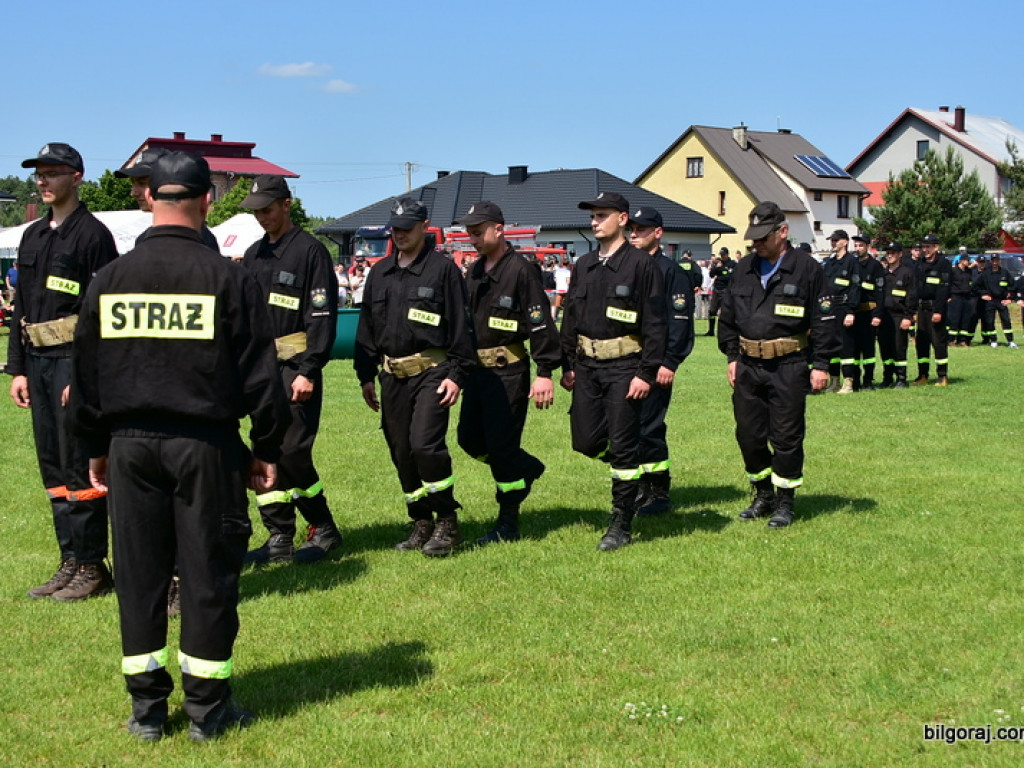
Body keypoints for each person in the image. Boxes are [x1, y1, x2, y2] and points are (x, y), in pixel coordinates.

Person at [69, 151, 290, 742]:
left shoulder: (109, 279)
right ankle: (208, 711)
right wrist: (264, 448)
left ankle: (146, 711)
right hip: (205, 447)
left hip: (128, 447)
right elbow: (262, 380)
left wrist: (96, 448)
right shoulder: (229, 279)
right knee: (207, 573)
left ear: (148, 198)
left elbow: (85, 377)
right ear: (207, 201)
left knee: (139, 577)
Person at [7, 143, 117, 601]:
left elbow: (102, 314)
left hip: (73, 365)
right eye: (39, 175)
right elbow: (21, 311)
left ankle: (93, 565)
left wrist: (86, 375)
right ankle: (69, 559)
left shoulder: (93, 236)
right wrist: (17, 369)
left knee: (79, 466)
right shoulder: (33, 236)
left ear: (76, 177)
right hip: (37, 364)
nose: (43, 181)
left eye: (52, 173)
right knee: (52, 465)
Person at [354, 198, 475, 556]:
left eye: (408, 226)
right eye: (396, 227)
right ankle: (420, 521)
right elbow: (367, 329)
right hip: (392, 375)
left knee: (425, 444)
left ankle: (447, 521)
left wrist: (456, 374)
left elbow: (461, 326)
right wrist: (365, 375)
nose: (401, 233)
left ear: (425, 226)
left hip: (432, 372)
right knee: (402, 451)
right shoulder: (380, 273)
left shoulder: (442, 270)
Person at [240, 174, 342, 564]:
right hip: (260, 371)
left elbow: (322, 317)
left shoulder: (310, 251)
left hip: (296, 367)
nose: (262, 217)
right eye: (256, 212)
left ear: (286, 204)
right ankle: (278, 535)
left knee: (294, 452)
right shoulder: (252, 255)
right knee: (264, 450)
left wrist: (309, 369)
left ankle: (324, 527)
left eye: (267, 209)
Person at [559, 191, 666, 550]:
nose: (594, 222)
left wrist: (646, 372)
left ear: (622, 219)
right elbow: (570, 317)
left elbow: (656, 324)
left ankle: (621, 522)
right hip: (586, 366)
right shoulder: (585, 264)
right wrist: (567, 364)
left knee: (622, 447)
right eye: (592, 216)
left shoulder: (641, 265)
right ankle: (632, 472)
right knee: (585, 441)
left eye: (602, 215)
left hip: (625, 366)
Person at [718, 201, 835, 528]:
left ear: (783, 232)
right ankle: (762, 493)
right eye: (753, 237)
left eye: (763, 237)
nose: (756, 243)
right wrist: (731, 355)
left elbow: (824, 320)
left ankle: (785, 501)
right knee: (749, 435)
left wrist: (821, 364)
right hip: (748, 365)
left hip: (789, 364)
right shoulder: (744, 268)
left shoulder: (807, 269)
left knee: (786, 436)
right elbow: (727, 315)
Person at [456, 201, 561, 544]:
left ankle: (508, 522)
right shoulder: (473, 271)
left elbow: (540, 324)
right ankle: (526, 467)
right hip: (476, 373)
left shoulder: (520, 270)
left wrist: (545, 371)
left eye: (477, 231)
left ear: (498, 229)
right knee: (469, 440)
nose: (471, 237)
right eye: (468, 231)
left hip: (508, 372)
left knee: (501, 447)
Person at [627, 206, 694, 516]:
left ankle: (658, 492)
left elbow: (679, 321)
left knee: (649, 426)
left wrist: (669, 362)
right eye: (633, 228)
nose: (634, 233)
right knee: (626, 427)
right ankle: (638, 486)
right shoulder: (627, 267)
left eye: (642, 229)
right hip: (627, 360)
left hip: (656, 364)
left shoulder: (670, 272)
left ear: (658, 233)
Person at [115, 147, 220, 252]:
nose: (133, 193)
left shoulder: (199, 240)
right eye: (133, 183)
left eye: (142, 183)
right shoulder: (144, 239)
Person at [821, 230, 862, 394]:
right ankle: (835, 380)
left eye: (836, 240)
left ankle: (848, 382)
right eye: (832, 240)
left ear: (845, 242)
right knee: (832, 346)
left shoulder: (852, 262)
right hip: (831, 308)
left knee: (846, 346)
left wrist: (851, 311)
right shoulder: (830, 263)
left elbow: (855, 287)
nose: (833, 243)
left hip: (845, 307)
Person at [911, 234, 953, 386]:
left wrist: (938, 311)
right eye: (924, 246)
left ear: (936, 247)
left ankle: (942, 375)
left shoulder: (943, 264)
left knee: (938, 342)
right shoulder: (920, 264)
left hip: (935, 307)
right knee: (921, 343)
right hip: (921, 309)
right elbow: (915, 289)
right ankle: (923, 375)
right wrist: (913, 309)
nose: (925, 250)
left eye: (929, 246)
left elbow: (944, 290)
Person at [877, 242, 918, 389]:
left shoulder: (907, 273)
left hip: (899, 316)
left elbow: (912, 296)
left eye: (893, 253)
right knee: (885, 348)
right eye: (888, 253)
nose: (890, 255)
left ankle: (901, 378)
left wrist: (908, 317)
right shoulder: (883, 273)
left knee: (899, 348)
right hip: (884, 317)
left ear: (900, 254)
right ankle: (887, 377)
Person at [850, 234, 884, 390]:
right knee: (855, 349)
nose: (858, 248)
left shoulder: (875, 265)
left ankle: (868, 380)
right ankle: (855, 380)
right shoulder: (852, 264)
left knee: (868, 349)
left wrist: (877, 314)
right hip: (855, 313)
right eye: (856, 245)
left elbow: (880, 292)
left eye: (861, 245)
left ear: (868, 246)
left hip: (869, 313)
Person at [974, 254, 1018, 348]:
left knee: (1006, 320)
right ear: (990, 261)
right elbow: (975, 286)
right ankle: (993, 340)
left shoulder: (1004, 272)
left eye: (996, 260)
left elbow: (1013, 286)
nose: (995, 262)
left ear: (1000, 261)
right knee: (990, 321)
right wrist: (983, 294)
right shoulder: (985, 273)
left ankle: (1010, 341)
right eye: (993, 260)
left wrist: (1010, 299)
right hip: (990, 301)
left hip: (1002, 301)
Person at [947, 251, 976, 347]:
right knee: (954, 319)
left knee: (965, 319)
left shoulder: (968, 271)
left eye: (968, 260)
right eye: (966, 260)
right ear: (961, 261)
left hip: (966, 298)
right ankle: (951, 340)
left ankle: (962, 340)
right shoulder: (953, 271)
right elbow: (948, 284)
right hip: (956, 297)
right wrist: (948, 296)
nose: (968, 262)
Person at [705, 246, 733, 336]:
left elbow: (729, 277)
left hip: (726, 290)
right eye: (721, 255)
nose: (722, 257)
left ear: (727, 254)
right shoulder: (719, 264)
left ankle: (724, 331)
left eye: (724, 255)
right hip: (717, 290)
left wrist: (720, 274)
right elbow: (711, 274)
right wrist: (717, 268)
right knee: (712, 311)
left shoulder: (732, 264)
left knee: (725, 312)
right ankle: (711, 330)